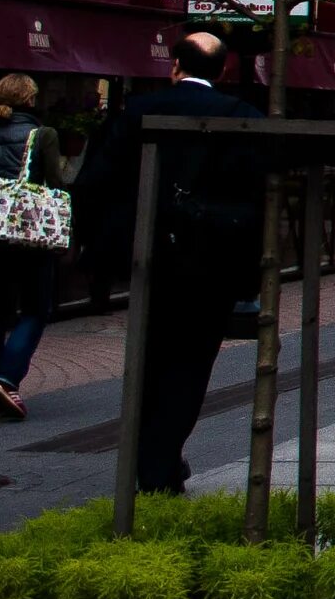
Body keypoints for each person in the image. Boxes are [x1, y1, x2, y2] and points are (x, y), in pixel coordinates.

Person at [78, 32, 266, 497]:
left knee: (148, 354)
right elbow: (259, 192)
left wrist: (95, 245)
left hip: (149, 257)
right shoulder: (244, 118)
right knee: (192, 361)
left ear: (175, 66)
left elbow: (95, 181)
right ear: (222, 71)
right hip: (213, 263)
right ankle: (161, 458)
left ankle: (151, 456)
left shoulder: (139, 112)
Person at [0, 74, 67, 421]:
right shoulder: (44, 135)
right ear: (30, 100)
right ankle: (6, 380)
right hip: (30, 237)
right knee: (36, 310)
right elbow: (56, 182)